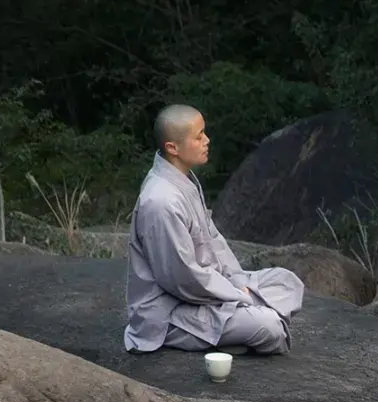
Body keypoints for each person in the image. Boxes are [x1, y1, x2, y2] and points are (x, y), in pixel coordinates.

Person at [124, 104, 304, 354]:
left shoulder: (184, 180)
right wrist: (237, 296)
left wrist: (238, 283)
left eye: (204, 133)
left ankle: (240, 322)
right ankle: (239, 325)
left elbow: (213, 240)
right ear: (172, 148)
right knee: (270, 327)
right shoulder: (161, 202)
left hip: (209, 288)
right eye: (198, 137)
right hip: (171, 311)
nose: (207, 141)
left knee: (288, 282)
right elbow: (182, 280)